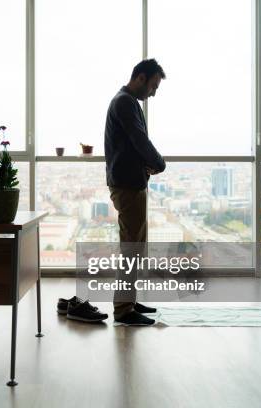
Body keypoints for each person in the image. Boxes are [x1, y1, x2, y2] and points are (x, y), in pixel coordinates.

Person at [105, 58, 166, 326]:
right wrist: (159, 163)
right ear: (140, 78)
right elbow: (140, 139)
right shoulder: (125, 102)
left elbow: (131, 144)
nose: (153, 93)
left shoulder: (127, 101)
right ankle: (123, 308)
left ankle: (128, 300)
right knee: (131, 247)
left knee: (136, 246)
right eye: (153, 86)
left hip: (131, 182)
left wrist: (145, 165)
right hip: (127, 185)